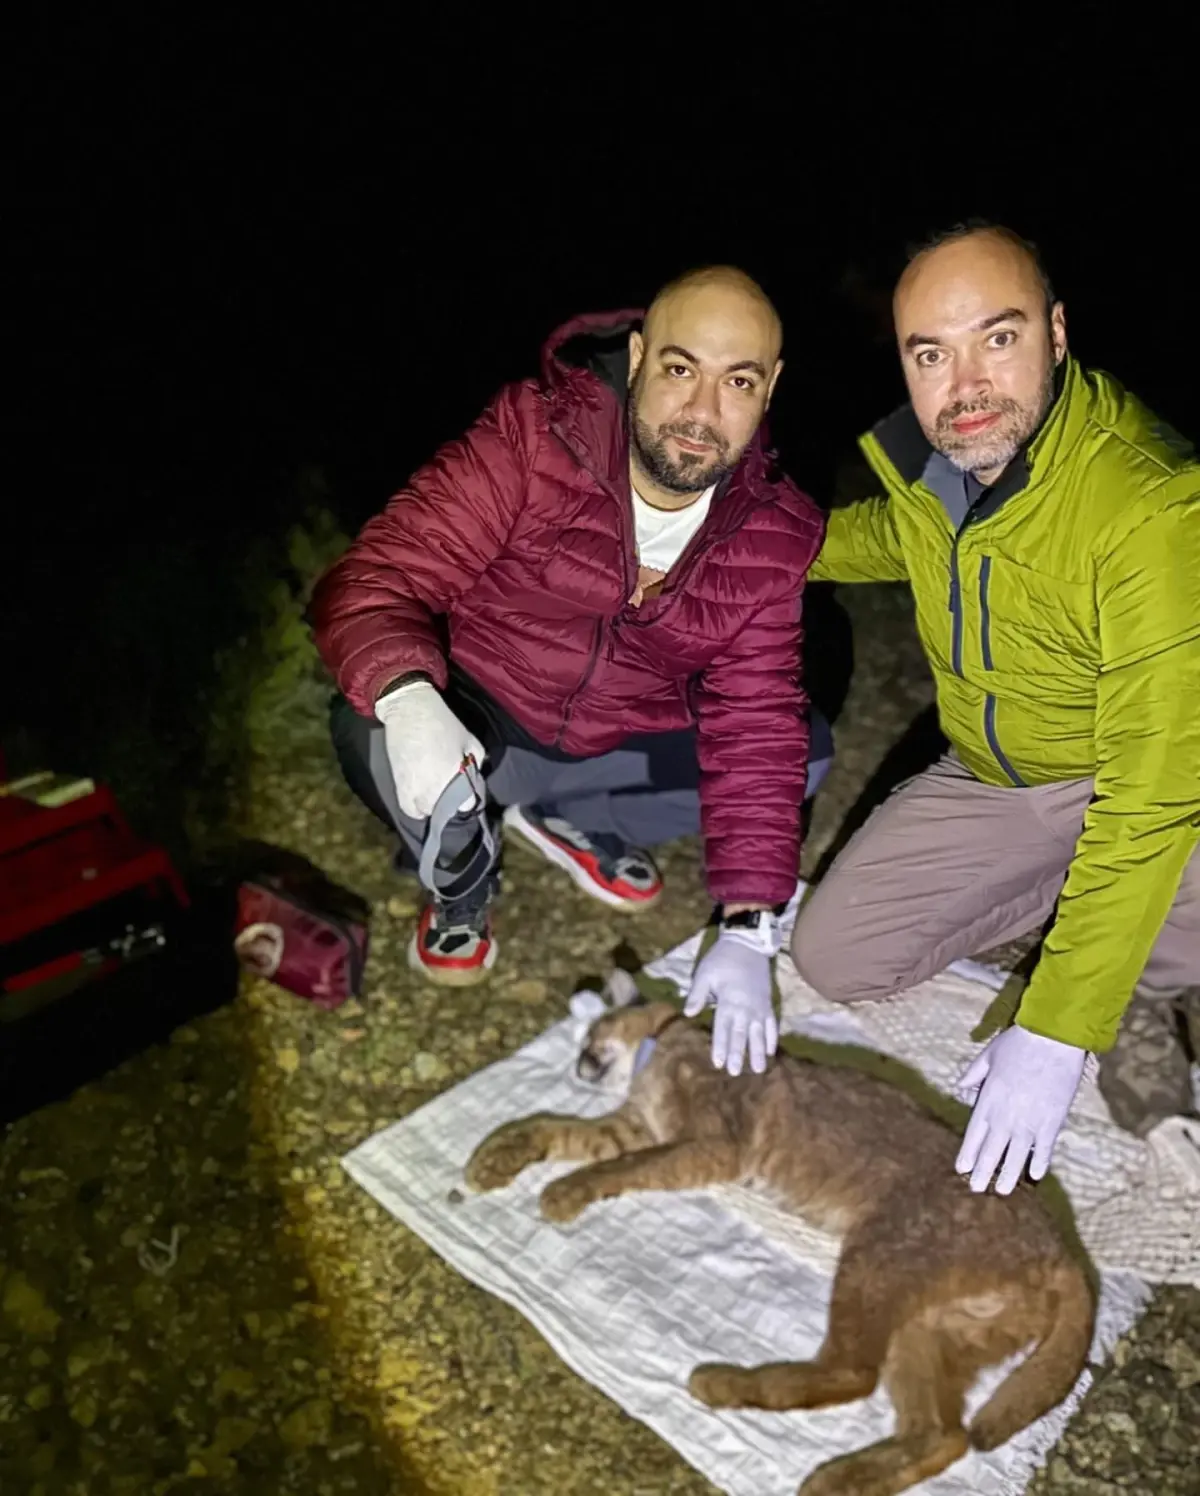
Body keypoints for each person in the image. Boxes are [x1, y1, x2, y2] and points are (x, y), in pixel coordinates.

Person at [310, 267, 831, 1075]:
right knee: (370, 716)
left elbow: (755, 719)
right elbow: (377, 579)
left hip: (613, 740)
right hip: (486, 722)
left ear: (772, 389)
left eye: (739, 381)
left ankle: (574, 819)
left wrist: (748, 924)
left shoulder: (777, 529)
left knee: (809, 751)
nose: (702, 412)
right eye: (680, 368)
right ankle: (462, 880)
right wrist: (410, 697)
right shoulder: (532, 437)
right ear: (635, 357)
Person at [792, 222, 1199, 1194]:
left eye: (998, 337)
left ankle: (1118, 971)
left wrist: (1057, 1030)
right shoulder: (945, 465)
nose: (964, 383)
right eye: (930, 353)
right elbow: (894, 535)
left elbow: (1150, 789)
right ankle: (1097, 929)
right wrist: (740, 549)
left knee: (1162, 935)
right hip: (1005, 776)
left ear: (1057, 333)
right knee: (834, 952)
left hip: (1153, 780)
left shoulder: (1154, 505)